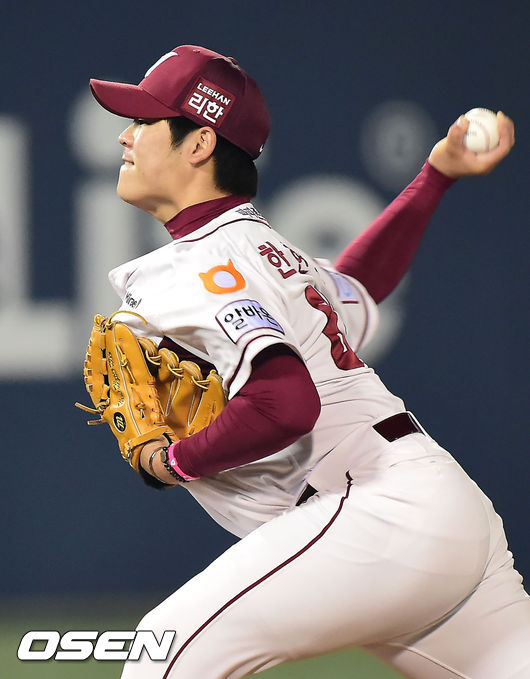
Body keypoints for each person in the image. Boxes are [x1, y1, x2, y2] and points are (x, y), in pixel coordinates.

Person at [88, 45, 529, 678]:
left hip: (376, 509)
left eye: (143, 121)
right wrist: (435, 175)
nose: (125, 137)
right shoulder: (266, 250)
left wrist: (171, 462)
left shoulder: (203, 264)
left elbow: (286, 403)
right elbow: (362, 287)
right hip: (444, 511)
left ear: (199, 144)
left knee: (162, 652)